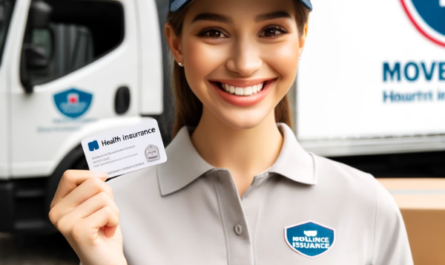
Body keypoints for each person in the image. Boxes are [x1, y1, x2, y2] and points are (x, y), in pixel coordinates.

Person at [48, 0, 414, 264]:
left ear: (301, 39)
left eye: (271, 31)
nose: (244, 63)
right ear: (175, 43)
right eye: (214, 32)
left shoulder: (366, 205)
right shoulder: (113, 214)